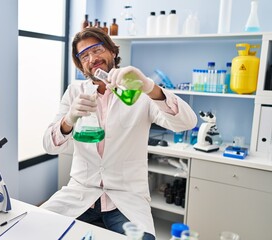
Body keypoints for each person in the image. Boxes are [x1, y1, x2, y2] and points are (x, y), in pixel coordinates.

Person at [41, 27, 197, 240]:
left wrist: (150, 87)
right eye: (84, 55)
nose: (92, 58)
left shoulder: (139, 93)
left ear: (112, 52)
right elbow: (49, 146)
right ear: (80, 65)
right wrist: (69, 119)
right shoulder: (74, 92)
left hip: (126, 201)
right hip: (80, 195)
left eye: (97, 49)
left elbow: (187, 122)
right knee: (36, 228)